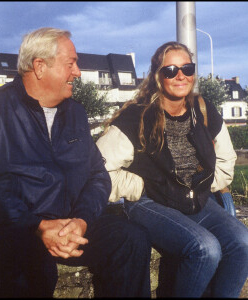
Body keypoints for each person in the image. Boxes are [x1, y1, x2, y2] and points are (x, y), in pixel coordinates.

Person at [0, 27, 152, 298]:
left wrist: (80, 221)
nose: (78, 72)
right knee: (33, 266)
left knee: (130, 239)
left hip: (69, 225)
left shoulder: (76, 113)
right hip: (13, 229)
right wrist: (38, 226)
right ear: (39, 66)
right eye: (71, 63)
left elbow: (97, 176)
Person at [96, 41, 248, 298]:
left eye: (187, 68)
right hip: (150, 202)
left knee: (242, 242)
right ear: (158, 76)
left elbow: (225, 159)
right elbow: (98, 169)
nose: (180, 75)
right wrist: (138, 186)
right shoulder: (136, 118)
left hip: (193, 199)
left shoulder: (203, 110)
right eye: (170, 70)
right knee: (204, 248)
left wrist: (201, 186)